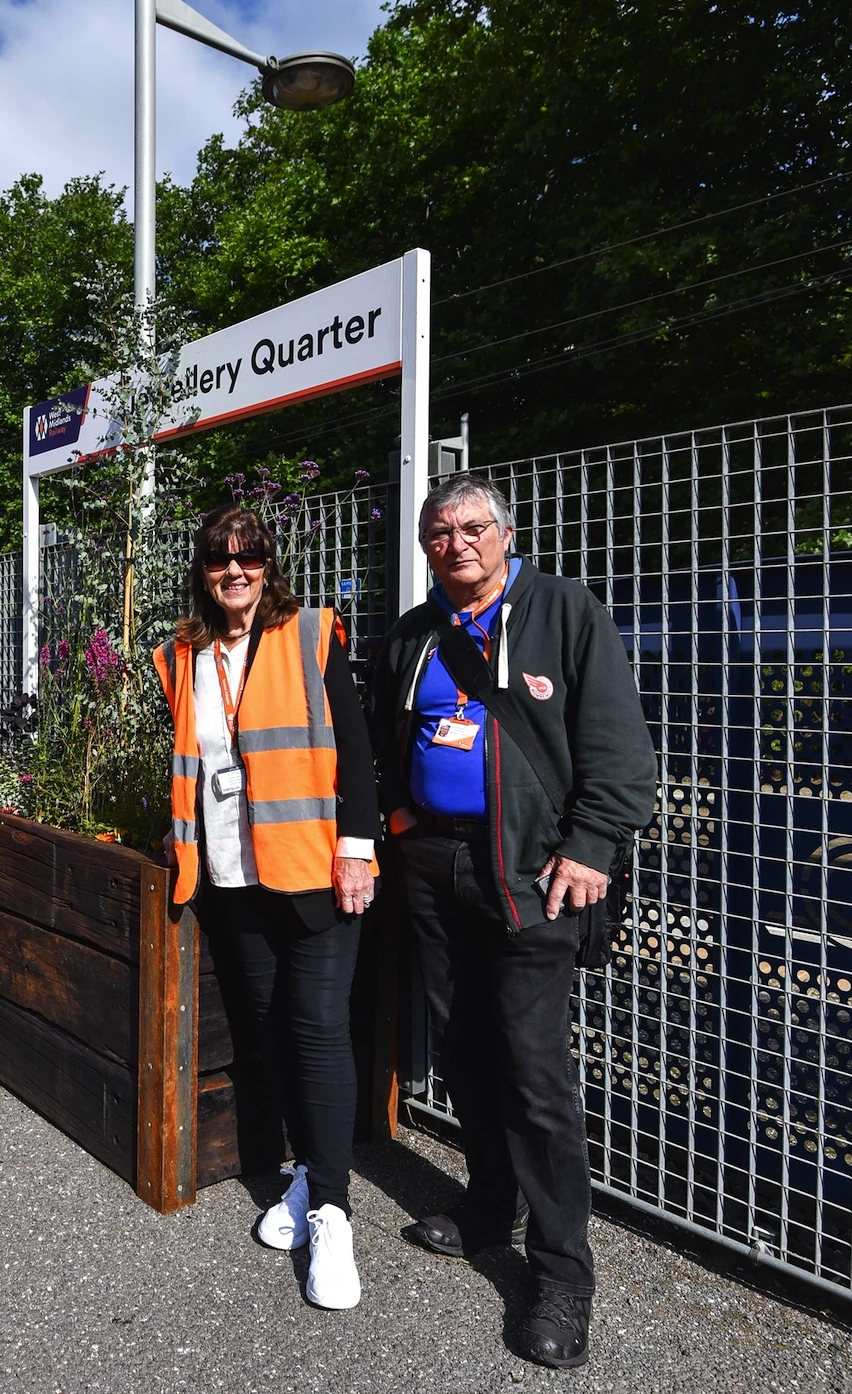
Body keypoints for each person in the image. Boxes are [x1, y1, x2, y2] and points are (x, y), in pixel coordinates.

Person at [371, 472, 657, 1369]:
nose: (455, 544)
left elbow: (617, 746)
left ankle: (563, 1275)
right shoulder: (414, 636)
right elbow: (386, 742)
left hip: (533, 875)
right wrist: (398, 827)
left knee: (534, 1071)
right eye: (437, 533)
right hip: (434, 867)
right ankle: (489, 1205)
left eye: (470, 528)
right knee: (462, 1050)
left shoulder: (563, 610)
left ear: (503, 533)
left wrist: (593, 847)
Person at [152, 504, 380, 1312]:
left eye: (247, 557)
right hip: (228, 872)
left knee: (316, 1029)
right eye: (219, 560)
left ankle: (332, 1212)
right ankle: (304, 1178)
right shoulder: (181, 655)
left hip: (315, 869)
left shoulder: (312, 631)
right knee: (266, 1026)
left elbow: (355, 746)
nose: (234, 571)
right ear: (203, 571)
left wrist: (358, 846)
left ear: (268, 564)